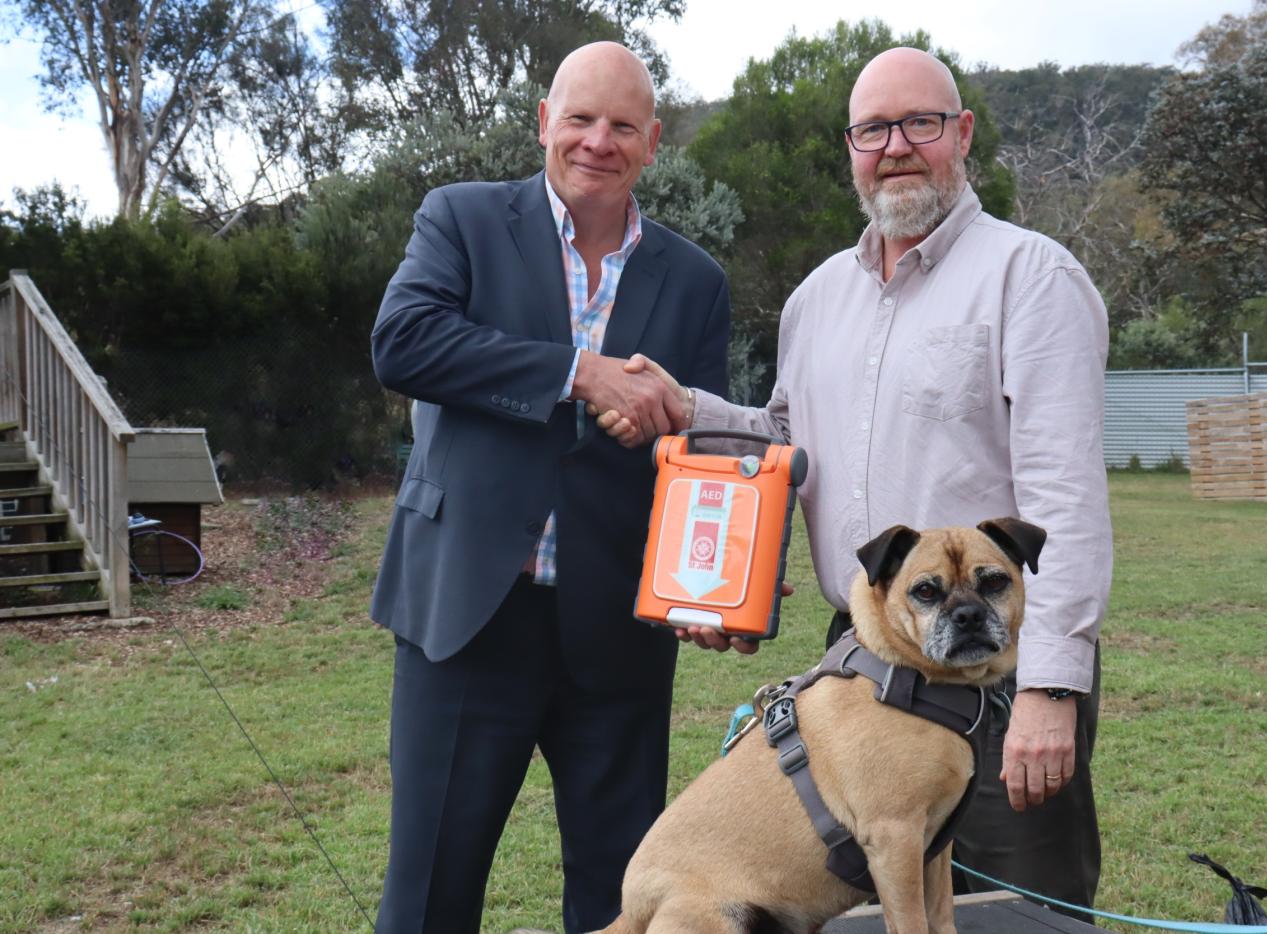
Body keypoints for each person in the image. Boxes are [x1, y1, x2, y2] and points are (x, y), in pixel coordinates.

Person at [598, 47, 1112, 916]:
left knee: (1024, 910)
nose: (897, 146)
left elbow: (1065, 499)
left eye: (921, 123)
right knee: (882, 910)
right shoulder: (816, 300)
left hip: (1002, 664)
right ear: (851, 147)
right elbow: (789, 440)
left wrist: (1051, 693)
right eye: (874, 129)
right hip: (867, 658)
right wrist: (684, 406)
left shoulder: (1031, 277)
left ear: (963, 134)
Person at [368, 41, 730, 934]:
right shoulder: (461, 219)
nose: (596, 142)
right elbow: (403, 342)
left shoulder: (696, 281)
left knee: (622, 904)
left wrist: (720, 584)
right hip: (466, 618)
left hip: (618, 634)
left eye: (621, 126)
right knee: (427, 900)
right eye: (579, 119)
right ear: (543, 124)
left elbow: (710, 450)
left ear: (652, 143)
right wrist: (580, 373)